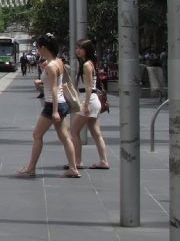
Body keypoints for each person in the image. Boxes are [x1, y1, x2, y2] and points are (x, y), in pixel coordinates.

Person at [17, 33, 80, 178]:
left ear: (44, 48)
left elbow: (53, 88)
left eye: (38, 48)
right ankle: (73, 168)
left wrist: (55, 111)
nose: (38, 51)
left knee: (37, 135)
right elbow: (55, 82)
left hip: (53, 104)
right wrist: (41, 79)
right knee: (65, 137)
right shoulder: (58, 62)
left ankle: (31, 168)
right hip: (61, 102)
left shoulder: (51, 66)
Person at [69, 38, 110, 170]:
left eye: (80, 48)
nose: (77, 51)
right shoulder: (91, 63)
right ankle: (103, 161)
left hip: (89, 100)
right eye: (77, 48)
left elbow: (88, 87)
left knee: (74, 131)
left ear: (86, 50)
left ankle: (78, 161)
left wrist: (85, 104)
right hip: (93, 100)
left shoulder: (87, 65)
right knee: (96, 132)